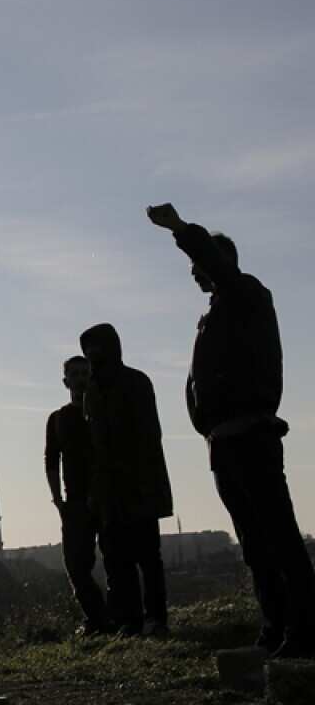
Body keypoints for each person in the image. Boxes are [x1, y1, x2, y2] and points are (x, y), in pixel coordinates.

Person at [148, 203, 315, 659]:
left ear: (216, 264)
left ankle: (304, 629)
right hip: (224, 442)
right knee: (256, 546)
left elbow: (217, 265)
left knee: (278, 539)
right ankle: (275, 627)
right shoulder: (218, 314)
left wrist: (180, 229)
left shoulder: (246, 295)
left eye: (200, 268)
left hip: (250, 437)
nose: (195, 277)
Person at [79, 323, 173, 638]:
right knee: (117, 560)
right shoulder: (91, 391)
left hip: (139, 483)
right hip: (108, 489)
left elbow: (148, 436)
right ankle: (130, 621)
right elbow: (93, 445)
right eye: (88, 349)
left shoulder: (136, 382)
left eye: (98, 348)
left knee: (148, 556)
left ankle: (155, 618)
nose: (93, 355)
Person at [45, 355, 111, 636]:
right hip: (74, 502)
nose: (81, 378)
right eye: (76, 374)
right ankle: (98, 618)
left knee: (116, 561)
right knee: (76, 565)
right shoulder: (59, 419)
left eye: (86, 373)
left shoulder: (102, 412)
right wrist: (57, 499)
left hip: (106, 498)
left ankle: (113, 619)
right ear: (66, 381)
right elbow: (51, 459)